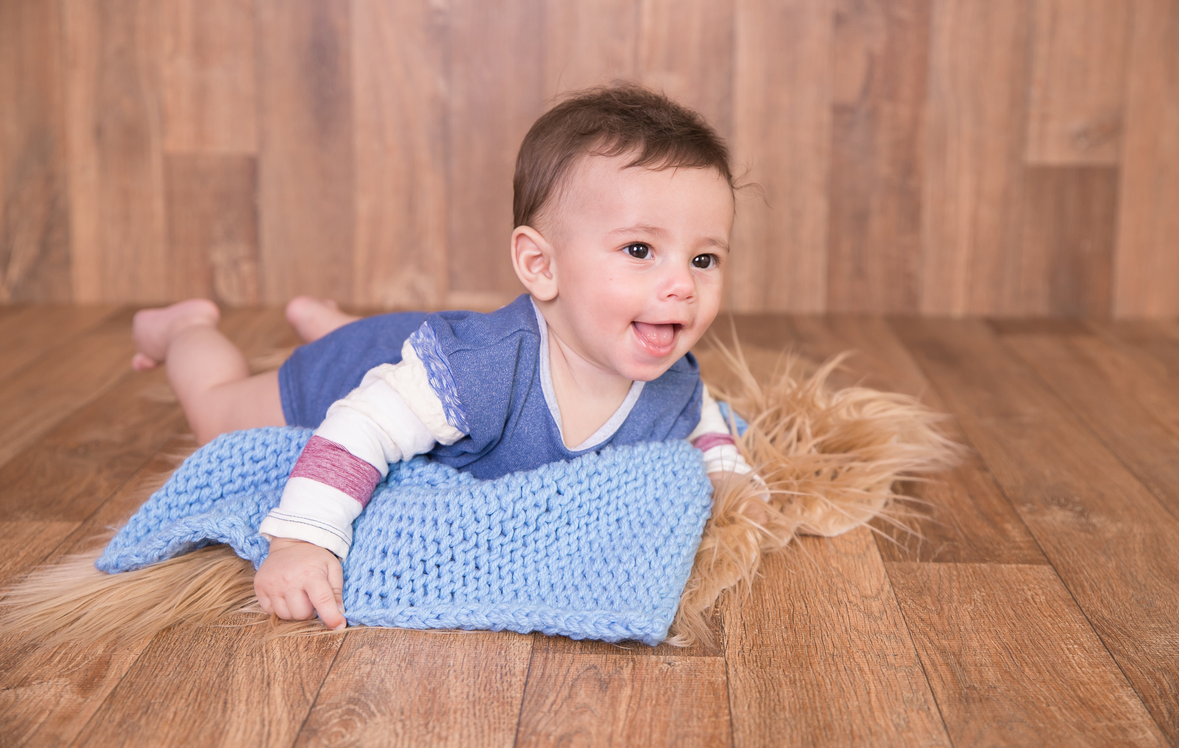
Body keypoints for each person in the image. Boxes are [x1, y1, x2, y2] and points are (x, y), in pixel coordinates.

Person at [129, 84, 756, 632]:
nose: (683, 285)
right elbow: (362, 426)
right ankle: (185, 329)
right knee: (217, 412)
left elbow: (700, 417)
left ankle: (330, 321)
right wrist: (302, 539)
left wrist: (730, 476)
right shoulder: (483, 371)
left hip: (426, 360)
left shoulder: (671, 379)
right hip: (353, 374)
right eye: (641, 250)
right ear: (540, 265)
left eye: (704, 259)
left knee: (421, 372)